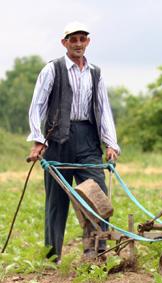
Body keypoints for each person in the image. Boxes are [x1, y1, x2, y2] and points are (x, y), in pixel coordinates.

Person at [27, 21, 120, 261]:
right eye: (73, 39)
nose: (78, 44)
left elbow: (103, 109)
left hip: (88, 140)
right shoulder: (52, 69)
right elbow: (37, 106)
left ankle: (96, 251)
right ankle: (52, 256)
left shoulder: (95, 73)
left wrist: (110, 144)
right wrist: (38, 140)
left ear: (87, 42)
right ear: (64, 43)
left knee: (96, 193)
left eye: (82, 39)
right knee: (57, 202)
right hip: (57, 141)